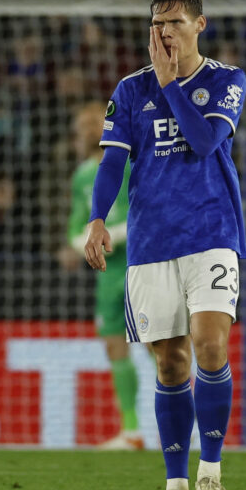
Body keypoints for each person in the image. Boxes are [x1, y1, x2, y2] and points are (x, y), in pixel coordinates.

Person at [84, 0, 246, 490]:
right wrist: (97, 219)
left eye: (175, 22)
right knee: (170, 365)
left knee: (209, 345)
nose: (164, 31)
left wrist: (171, 83)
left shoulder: (226, 80)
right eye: (157, 23)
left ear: (200, 24)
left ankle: (211, 478)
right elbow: (112, 162)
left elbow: (203, 143)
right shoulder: (130, 90)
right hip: (152, 244)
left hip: (212, 234)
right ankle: (175, 488)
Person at [67, 100, 143, 450]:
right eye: (81, 125)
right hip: (107, 273)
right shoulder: (82, 175)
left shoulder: (129, 161)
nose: (86, 130)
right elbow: (74, 229)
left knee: (162, 347)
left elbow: (144, 210)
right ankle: (132, 432)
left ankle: (184, 426)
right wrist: (87, 239)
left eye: (92, 122)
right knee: (114, 346)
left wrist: (112, 233)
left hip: (140, 264)